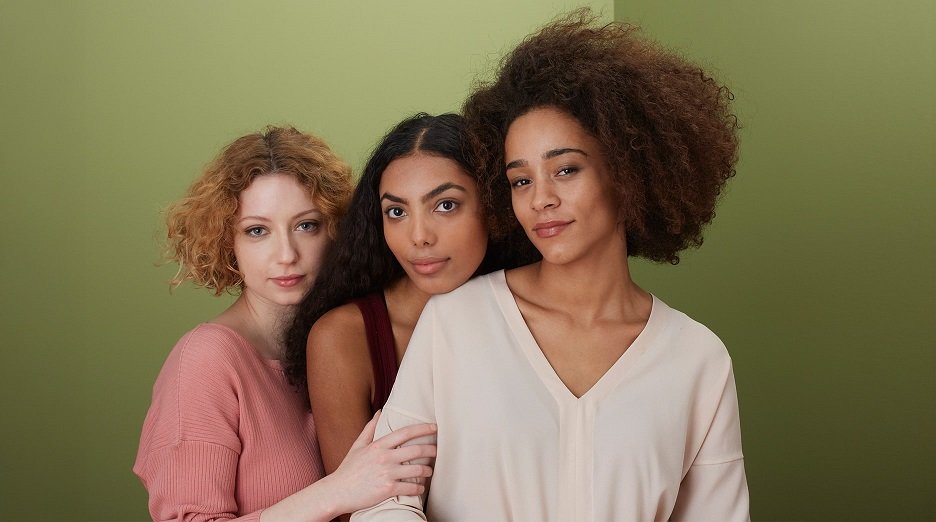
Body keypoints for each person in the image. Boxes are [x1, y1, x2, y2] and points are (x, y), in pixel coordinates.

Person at [352, 10, 749, 521]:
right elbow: (384, 498)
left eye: (565, 170)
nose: (541, 199)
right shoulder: (458, 322)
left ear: (627, 173)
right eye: (521, 180)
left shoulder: (698, 361)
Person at [133, 126, 437, 522]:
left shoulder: (340, 341)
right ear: (229, 244)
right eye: (257, 231)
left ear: (335, 230)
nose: (286, 254)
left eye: (305, 225)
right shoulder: (206, 360)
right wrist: (336, 491)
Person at [282, 114, 532, 518]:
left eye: (445, 205)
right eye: (396, 212)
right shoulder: (343, 339)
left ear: (492, 207)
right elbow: (354, 509)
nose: (419, 236)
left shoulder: (531, 316)